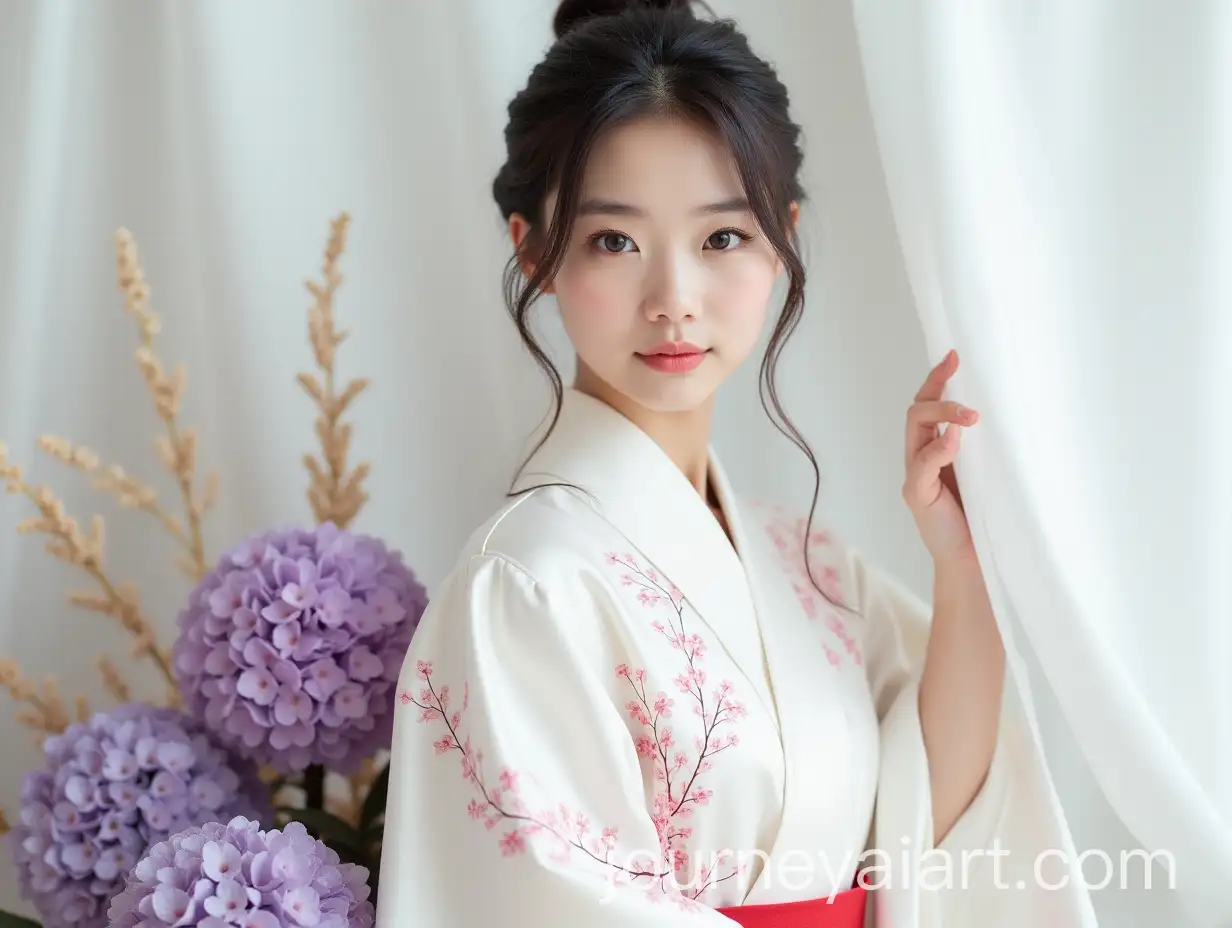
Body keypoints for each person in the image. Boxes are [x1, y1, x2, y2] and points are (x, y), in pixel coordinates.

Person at [376, 1, 1094, 925]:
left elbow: (930, 824)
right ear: (536, 250)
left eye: (722, 237)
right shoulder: (524, 587)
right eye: (614, 241)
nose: (674, 300)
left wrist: (963, 565)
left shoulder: (809, 563)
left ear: (780, 238)